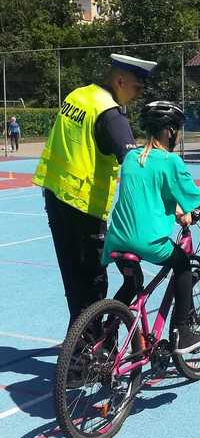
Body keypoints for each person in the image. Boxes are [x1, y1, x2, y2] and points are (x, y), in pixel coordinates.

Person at [102, 101, 200, 355]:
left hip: (117, 238)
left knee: (131, 282)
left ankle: (106, 334)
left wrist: (178, 211)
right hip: (146, 241)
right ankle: (182, 331)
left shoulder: (132, 157)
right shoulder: (170, 161)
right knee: (182, 264)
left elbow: (149, 195)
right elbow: (198, 200)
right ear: (169, 131)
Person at [32, 53, 157, 330]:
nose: (138, 95)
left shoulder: (78, 96)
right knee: (94, 283)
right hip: (84, 203)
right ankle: (83, 359)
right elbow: (134, 167)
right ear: (120, 80)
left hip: (55, 196)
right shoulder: (110, 114)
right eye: (137, 87)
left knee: (73, 278)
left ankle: (77, 345)